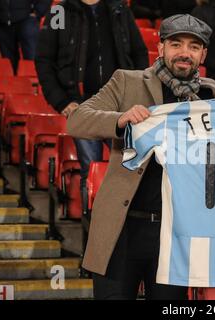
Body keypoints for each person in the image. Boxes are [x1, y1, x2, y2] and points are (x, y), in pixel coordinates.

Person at [66, 14, 215, 299]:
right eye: (176, 44)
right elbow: (76, 121)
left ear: (203, 54)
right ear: (161, 48)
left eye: (193, 47)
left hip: (175, 235)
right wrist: (120, 118)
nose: (184, 53)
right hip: (122, 228)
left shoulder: (210, 99)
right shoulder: (126, 81)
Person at [35, 0, 149, 223]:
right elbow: (44, 60)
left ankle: (124, 229)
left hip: (122, 107)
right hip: (83, 108)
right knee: (90, 172)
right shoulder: (60, 11)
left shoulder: (119, 9)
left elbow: (139, 53)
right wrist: (62, 102)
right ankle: (94, 233)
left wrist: (138, 93)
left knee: (131, 171)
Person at [0, 0, 52, 73]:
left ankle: (34, 83)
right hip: (0, 22)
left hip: (27, 19)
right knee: (9, 64)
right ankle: (14, 83)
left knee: (32, 60)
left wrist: (38, 12)